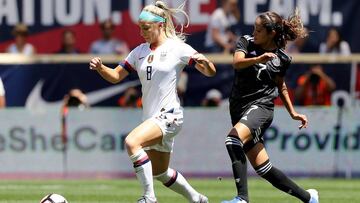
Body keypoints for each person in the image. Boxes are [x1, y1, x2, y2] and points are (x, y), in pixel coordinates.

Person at [89, 1, 216, 202]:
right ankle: (198, 199)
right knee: (160, 172)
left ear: (160, 24)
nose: (142, 33)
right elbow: (115, 76)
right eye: (140, 28)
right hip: (151, 117)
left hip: (169, 115)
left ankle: (149, 198)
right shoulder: (139, 51)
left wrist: (205, 63)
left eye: (146, 28)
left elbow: (210, 72)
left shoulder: (178, 48)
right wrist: (101, 68)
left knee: (132, 142)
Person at [221, 9, 319, 203]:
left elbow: (280, 85)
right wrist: (258, 59)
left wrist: (293, 112)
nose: (254, 33)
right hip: (239, 108)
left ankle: (242, 198)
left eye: (258, 30)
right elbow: (237, 63)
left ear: (271, 33)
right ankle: (309, 198)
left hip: (262, 107)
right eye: (254, 29)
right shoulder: (246, 42)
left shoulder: (282, 58)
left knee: (233, 140)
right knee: (264, 169)